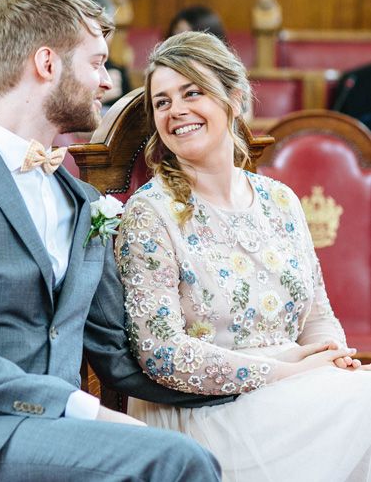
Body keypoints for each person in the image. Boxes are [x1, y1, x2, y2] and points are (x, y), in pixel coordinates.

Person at [0, 0, 228, 481]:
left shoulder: (84, 201)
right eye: (96, 63)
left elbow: (121, 357)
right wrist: (82, 409)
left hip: (58, 438)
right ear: (47, 64)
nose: (108, 82)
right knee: (176, 460)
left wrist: (256, 378)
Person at [116, 30, 371, 481]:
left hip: (299, 395)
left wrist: (334, 355)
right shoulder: (149, 213)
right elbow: (161, 353)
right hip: (205, 412)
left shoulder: (281, 200)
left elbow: (318, 315)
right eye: (162, 101)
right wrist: (285, 372)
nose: (176, 111)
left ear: (234, 98)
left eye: (192, 92)